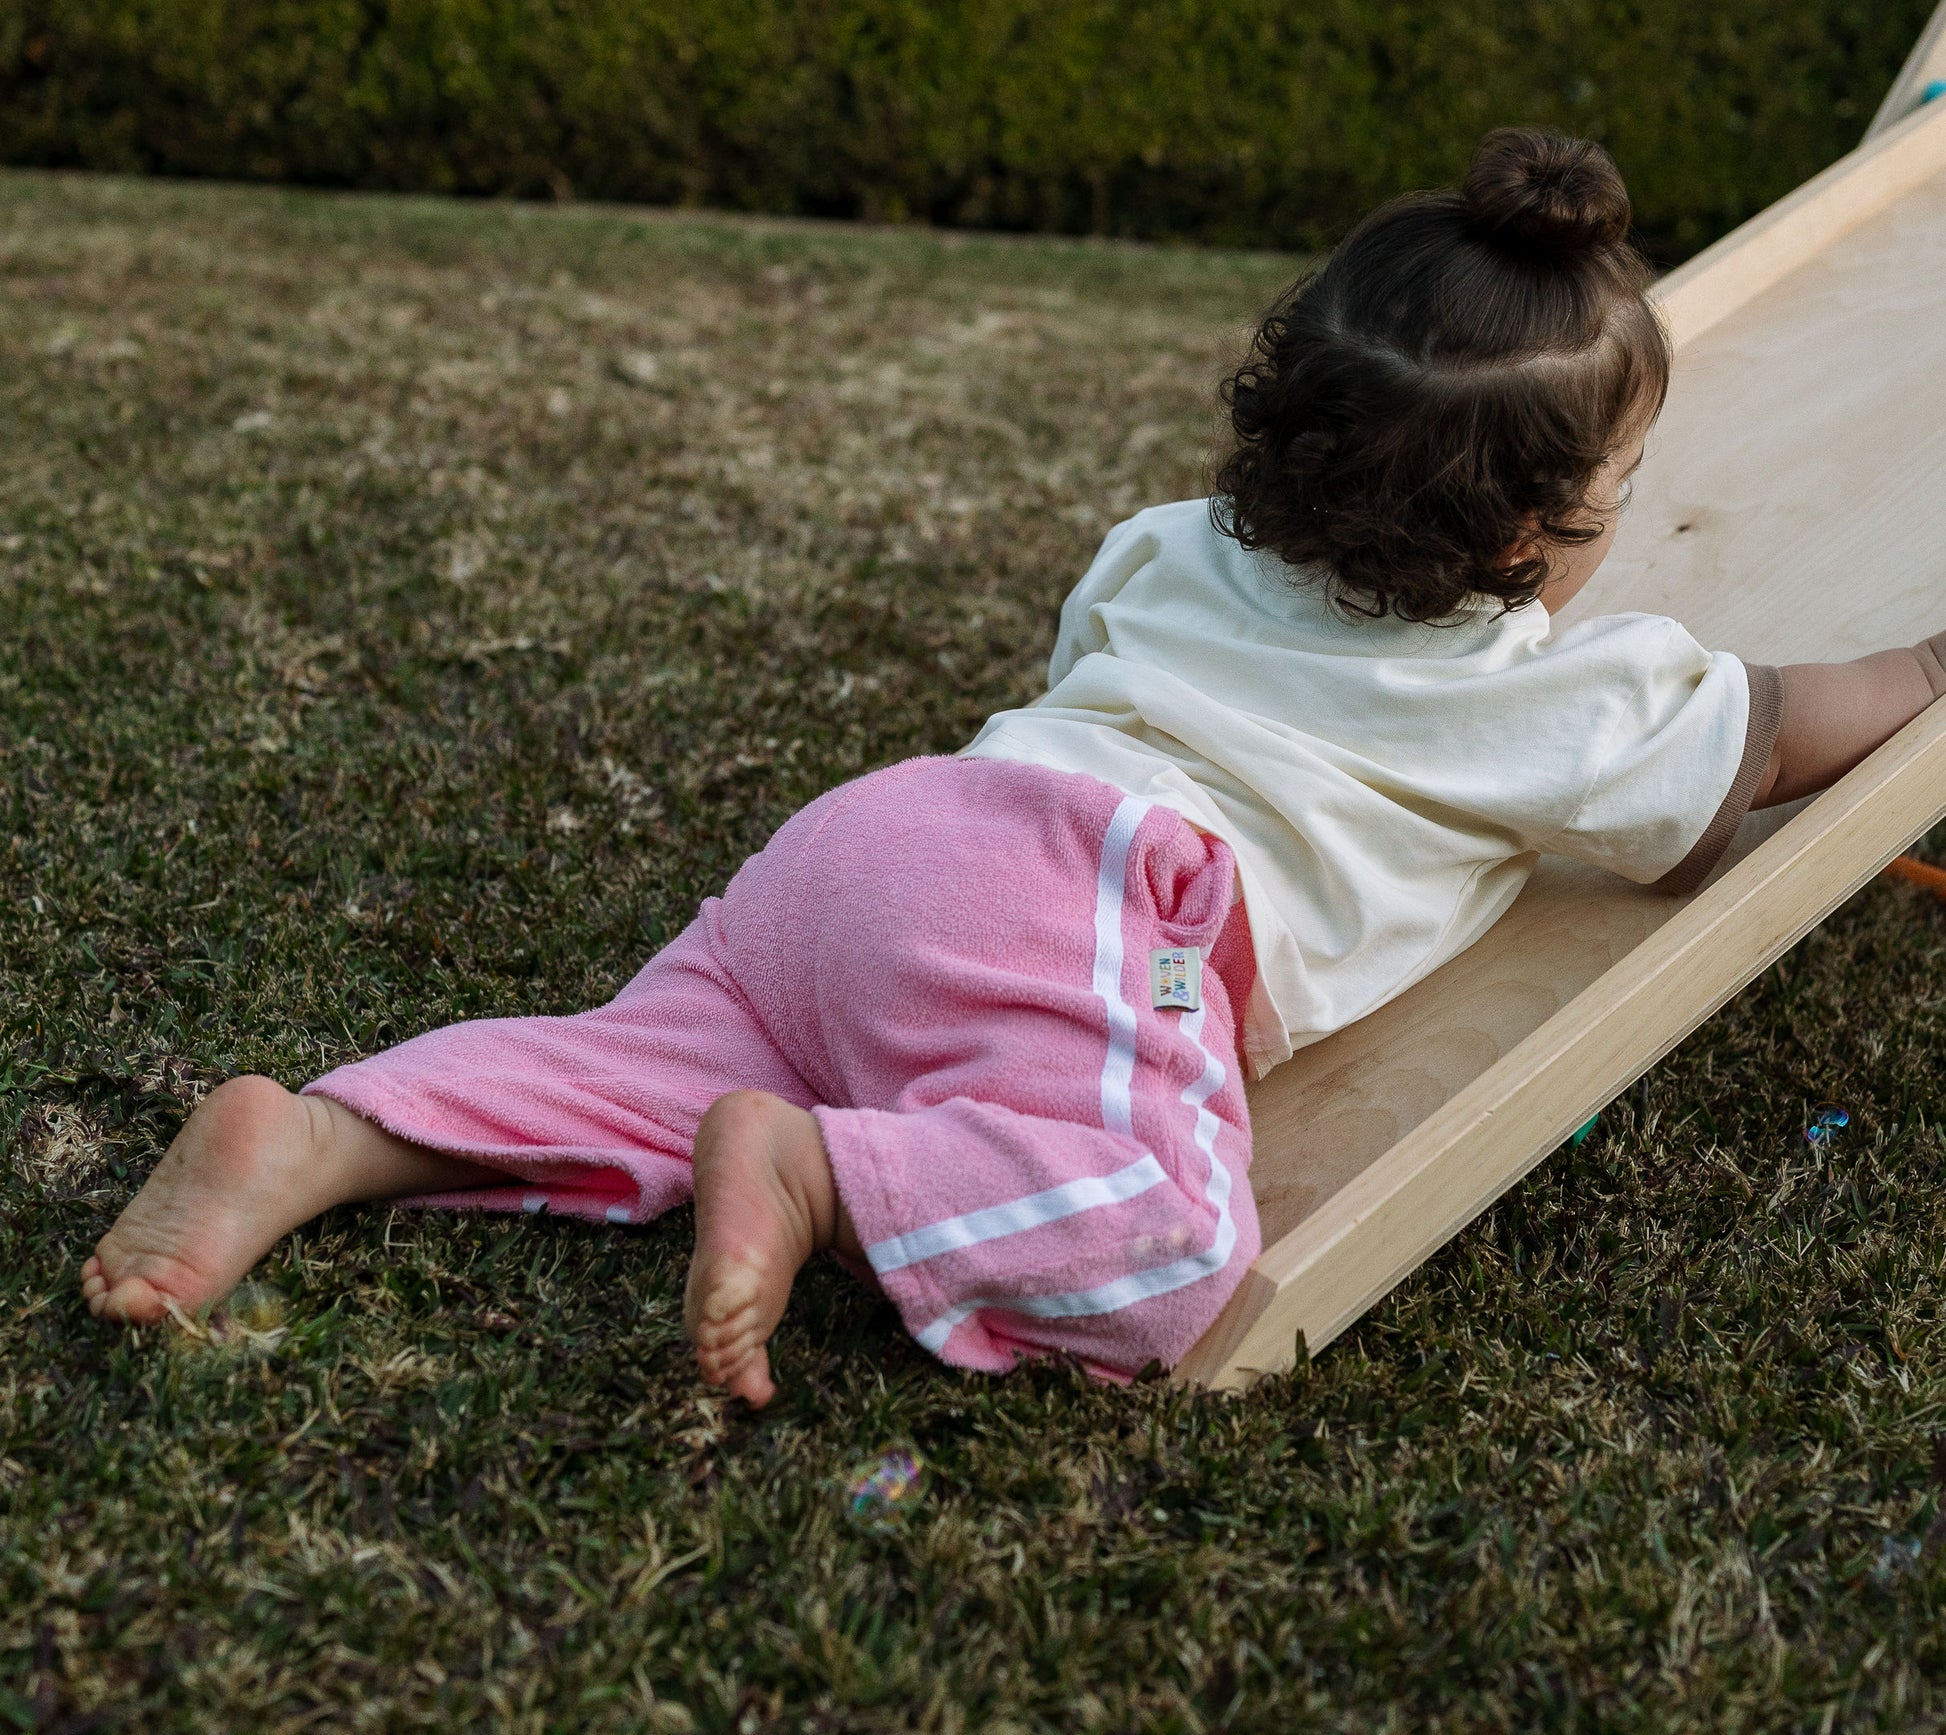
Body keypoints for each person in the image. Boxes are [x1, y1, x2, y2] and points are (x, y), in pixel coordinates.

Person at [81, 129, 1946, 1406]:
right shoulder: (1560, 699)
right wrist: (1932, 662)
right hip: (1098, 897)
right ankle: (817, 1174)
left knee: (642, 1060)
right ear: (1538, 541)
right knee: (1165, 1247)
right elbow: (1784, 728)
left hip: (882, 844)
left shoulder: (1168, 546)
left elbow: (1076, 679)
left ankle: (320, 1136)